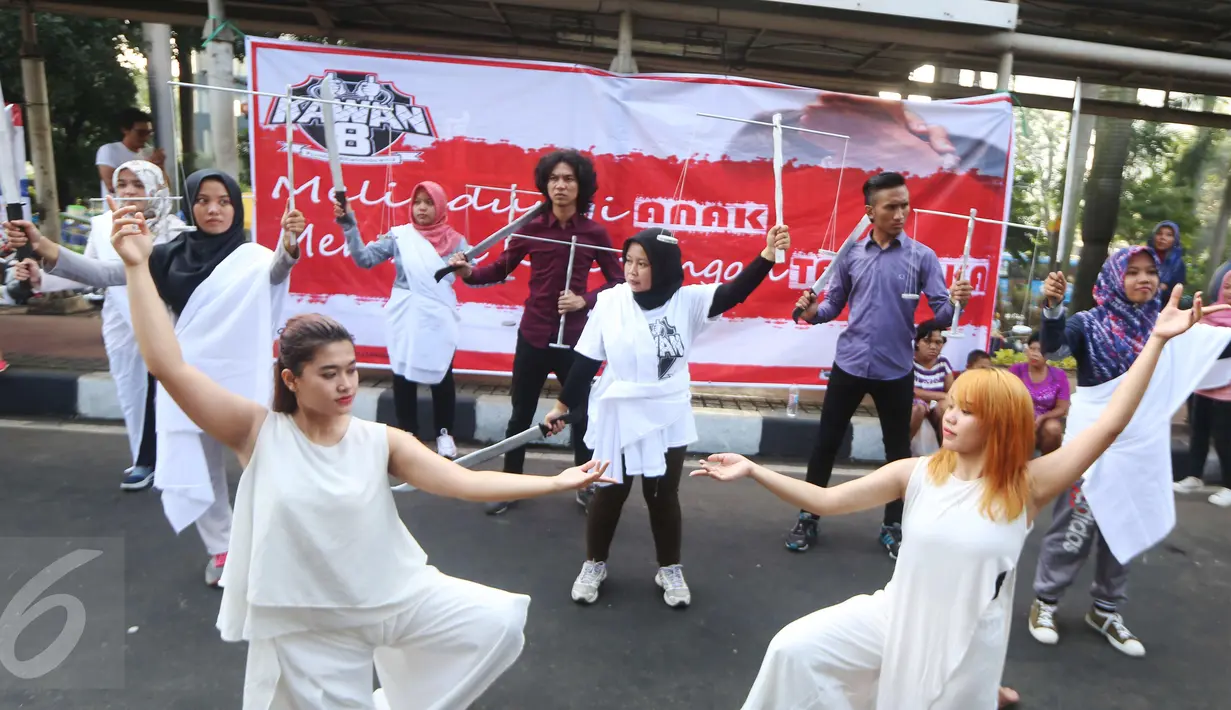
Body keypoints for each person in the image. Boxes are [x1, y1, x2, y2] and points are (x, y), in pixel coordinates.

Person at [105, 204, 614, 709]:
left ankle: (398, 701)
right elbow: (169, 366)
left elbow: (460, 481)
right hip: (313, 627)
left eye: (350, 369)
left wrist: (553, 482)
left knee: (498, 623)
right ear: (291, 379)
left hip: (395, 598)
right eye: (329, 374)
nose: (346, 383)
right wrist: (135, 267)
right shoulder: (257, 432)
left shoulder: (378, 439)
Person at [692, 284, 1224, 709]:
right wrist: (755, 470)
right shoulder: (916, 471)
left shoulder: (1026, 486)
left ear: (999, 424)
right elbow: (826, 501)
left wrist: (1156, 341)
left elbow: (1107, 426)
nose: (950, 414)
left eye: (967, 410)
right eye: (952, 404)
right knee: (792, 650)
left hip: (968, 644)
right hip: (893, 618)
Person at [4, 169, 304, 587]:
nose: (213, 208)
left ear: (236, 206)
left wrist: (290, 246)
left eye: (223, 200)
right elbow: (105, 273)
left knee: (262, 465)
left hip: (240, 374)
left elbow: (276, 269)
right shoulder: (169, 253)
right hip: (187, 377)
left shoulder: (252, 256)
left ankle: (276, 547)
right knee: (201, 465)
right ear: (190, 204)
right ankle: (224, 550)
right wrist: (41, 246)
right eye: (203, 200)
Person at [544, 224, 790, 608]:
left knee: (662, 495)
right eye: (628, 261)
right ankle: (594, 564)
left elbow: (733, 292)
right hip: (619, 409)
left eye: (643, 263)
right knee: (608, 492)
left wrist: (767, 256)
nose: (632, 270)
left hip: (667, 410)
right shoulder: (611, 301)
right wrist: (561, 407)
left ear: (663, 265)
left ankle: (669, 568)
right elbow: (587, 360)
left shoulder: (687, 301)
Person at [1029, 247, 1231, 657]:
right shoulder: (1088, 323)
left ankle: (1105, 609)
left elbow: (1219, 351)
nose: (1144, 279)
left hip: (1142, 446)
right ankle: (1045, 602)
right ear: (1111, 279)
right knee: (1075, 526)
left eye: (1151, 272)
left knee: (1125, 525)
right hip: (1093, 446)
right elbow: (1053, 350)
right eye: (1133, 272)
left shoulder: (1169, 324)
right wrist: (1052, 308)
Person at [790, 171, 971, 557]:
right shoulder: (851, 255)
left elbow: (941, 314)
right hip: (850, 364)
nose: (901, 213)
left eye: (905, 204)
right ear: (870, 211)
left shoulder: (922, 256)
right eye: (891, 206)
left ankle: (893, 526)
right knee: (825, 444)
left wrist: (957, 302)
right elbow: (832, 306)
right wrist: (809, 314)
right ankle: (809, 516)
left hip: (896, 369)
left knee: (896, 452)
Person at [449, 149, 624, 515]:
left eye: (569, 179)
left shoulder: (593, 232)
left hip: (577, 339)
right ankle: (511, 486)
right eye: (554, 179)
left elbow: (620, 281)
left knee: (582, 415)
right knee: (520, 414)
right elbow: (498, 269)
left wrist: (585, 301)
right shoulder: (530, 228)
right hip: (533, 335)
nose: (561, 186)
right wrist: (467, 273)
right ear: (545, 185)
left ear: (581, 186)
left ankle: (585, 485)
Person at [336, 181, 467, 458]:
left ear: (440, 206)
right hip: (405, 314)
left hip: (439, 316)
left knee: (441, 374)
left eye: (428, 202)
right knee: (403, 374)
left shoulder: (456, 242)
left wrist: (468, 269)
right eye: (417, 201)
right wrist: (350, 226)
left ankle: (444, 433)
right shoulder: (399, 237)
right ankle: (408, 434)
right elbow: (365, 259)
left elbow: (475, 277)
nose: (421, 208)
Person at [92, 160, 183, 489]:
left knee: (171, 395)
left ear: (156, 189)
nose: (128, 191)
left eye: (138, 184)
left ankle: (175, 462)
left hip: (165, 322)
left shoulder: (175, 231)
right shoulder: (102, 226)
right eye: (122, 184)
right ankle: (142, 459)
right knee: (133, 392)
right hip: (119, 324)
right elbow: (91, 273)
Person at [1174, 270, 1231, 507]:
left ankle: (1228, 486)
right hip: (1202, 386)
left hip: (1227, 391)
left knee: (1224, 437)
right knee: (1197, 432)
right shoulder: (1206, 316)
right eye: (1228, 286)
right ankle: (1193, 476)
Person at [1008, 332, 1070, 455]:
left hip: (1045, 421)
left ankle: (1047, 465)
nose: (1035, 353)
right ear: (1027, 350)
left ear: (1048, 354)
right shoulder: (1016, 371)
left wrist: (1042, 418)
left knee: (1053, 429)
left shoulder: (1058, 376)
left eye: (1040, 350)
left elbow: (1062, 408)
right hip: (1019, 418)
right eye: (1032, 348)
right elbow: (1005, 397)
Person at [96, 108, 165, 199]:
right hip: (118, 209)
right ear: (125, 130)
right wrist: (147, 166)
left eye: (149, 133)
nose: (145, 137)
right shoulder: (109, 150)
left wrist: (160, 166)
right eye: (141, 133)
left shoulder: (150, 153)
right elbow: (111, 186)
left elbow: (163, 188)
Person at [911, 320, 952, 448]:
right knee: (919, 408)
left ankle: (946, 450)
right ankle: (902, 449)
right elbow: (912, 391)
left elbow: (951, 392)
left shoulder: (943, 362)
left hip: (935, 407)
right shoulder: (907, 361)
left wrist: (943, 398)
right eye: (927, 341)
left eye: (938, 342)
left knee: (945, 408)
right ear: (917, 342)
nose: (933, 347)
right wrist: (941, 396)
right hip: (911, 405)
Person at [1148, 220, 1185, 298]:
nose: (1162, 238)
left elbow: (1177, 292)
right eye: (1159, 233)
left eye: (1169, 235)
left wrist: (1162, 289)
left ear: (1175, 239)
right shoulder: (1142, 256)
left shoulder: (1178, 264)